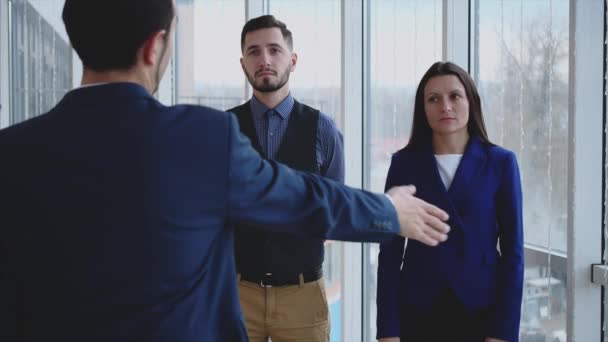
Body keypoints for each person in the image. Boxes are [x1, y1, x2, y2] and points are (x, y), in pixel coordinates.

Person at [0, 1, 451, 341]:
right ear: (155, 46)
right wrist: (388, 211)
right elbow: (301, 196)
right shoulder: (203, 136)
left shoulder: (11, 152)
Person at [376, 62, 524, 342]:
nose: (445, 106)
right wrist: (388, 331)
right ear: (423, 108)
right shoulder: (404, 163)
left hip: (481, 310)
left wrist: (503, 332)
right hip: (418, 310)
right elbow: (390, 252)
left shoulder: (501, 163)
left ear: (471, 101)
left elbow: (513, 253)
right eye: (434, 99)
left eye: (455, 96)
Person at [227, 15, 343, 342]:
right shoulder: (223, 129)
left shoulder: (324, 129)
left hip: (303, 298)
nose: (264, 59)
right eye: (254, 52)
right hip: (236, 294)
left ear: (293, 60)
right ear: (243, 64)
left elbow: (334, 211)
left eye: (274, 50)